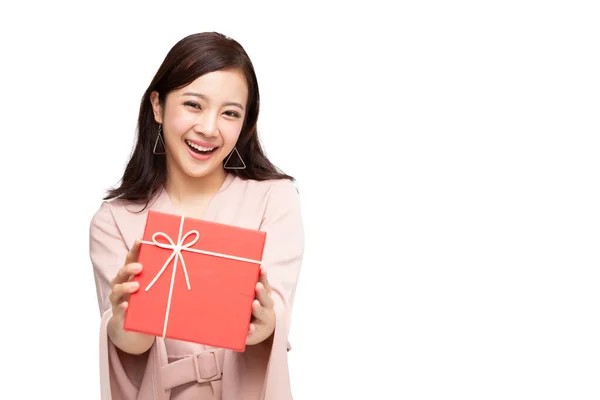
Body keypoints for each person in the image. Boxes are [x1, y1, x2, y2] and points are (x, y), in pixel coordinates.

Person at [88, 32, 304, 400]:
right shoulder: (114, 220)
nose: (208, 128)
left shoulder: (274, 197)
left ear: (245, 123)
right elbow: (128, 342)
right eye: (193, 104)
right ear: (157, 105)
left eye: (230, 113)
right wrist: (124, 322)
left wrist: (267, 322)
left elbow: (275, 312)